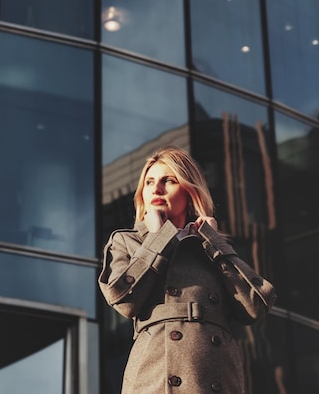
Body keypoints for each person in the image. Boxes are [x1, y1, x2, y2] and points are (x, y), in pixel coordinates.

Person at [99, 146, 276, 394]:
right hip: (156, 376)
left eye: (168, 180)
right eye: (149, 182)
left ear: (189, 189)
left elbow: (257, 305)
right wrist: (158, 238)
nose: (156, 189)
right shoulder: (128, 241)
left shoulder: (213, 246)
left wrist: (214, 242)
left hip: (215, 376)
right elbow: (124, 300)